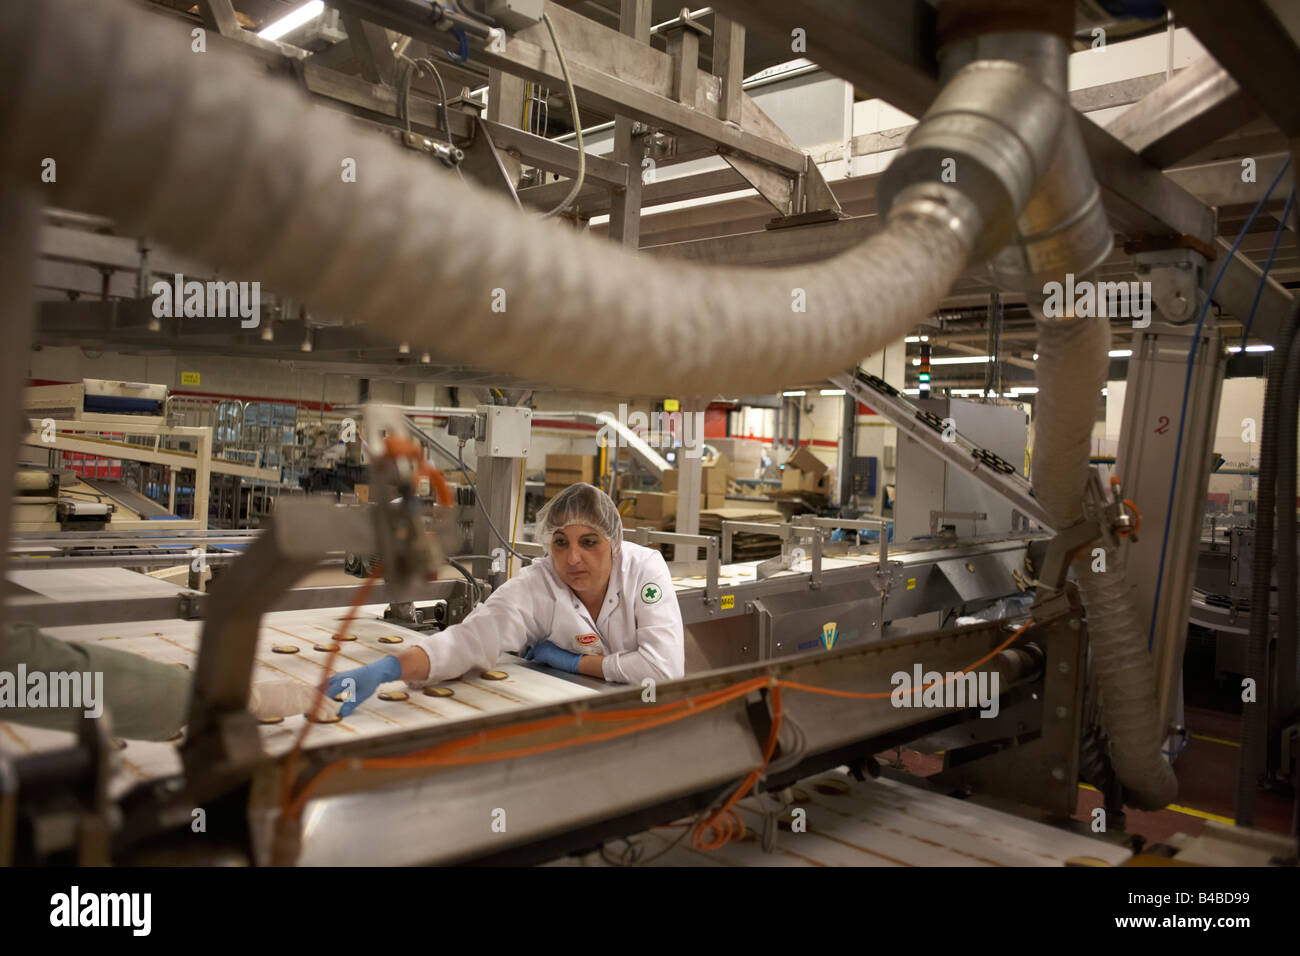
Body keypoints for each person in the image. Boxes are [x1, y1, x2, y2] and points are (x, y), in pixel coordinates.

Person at [327, 482, 685, 716]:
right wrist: (388, 669)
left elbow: (663, 671)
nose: (573, 558)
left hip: (649, 718)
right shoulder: (537, 585)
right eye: (561, 542)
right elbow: (469, 640)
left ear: (614, 543)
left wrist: (576, 664)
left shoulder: (644, 571)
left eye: (589, 542)